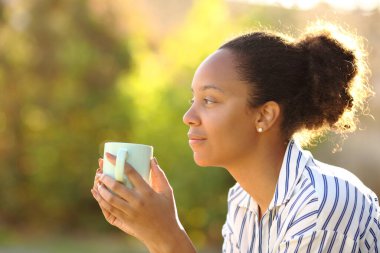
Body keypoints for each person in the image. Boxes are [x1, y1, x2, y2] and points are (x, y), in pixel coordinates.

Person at [91, 22, 380, 253]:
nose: (188, 116)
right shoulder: (243, 201)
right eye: (194, 99)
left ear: (264, 116)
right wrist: (152, 233)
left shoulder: (322, 206)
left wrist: (168, 237)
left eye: (210, 100)